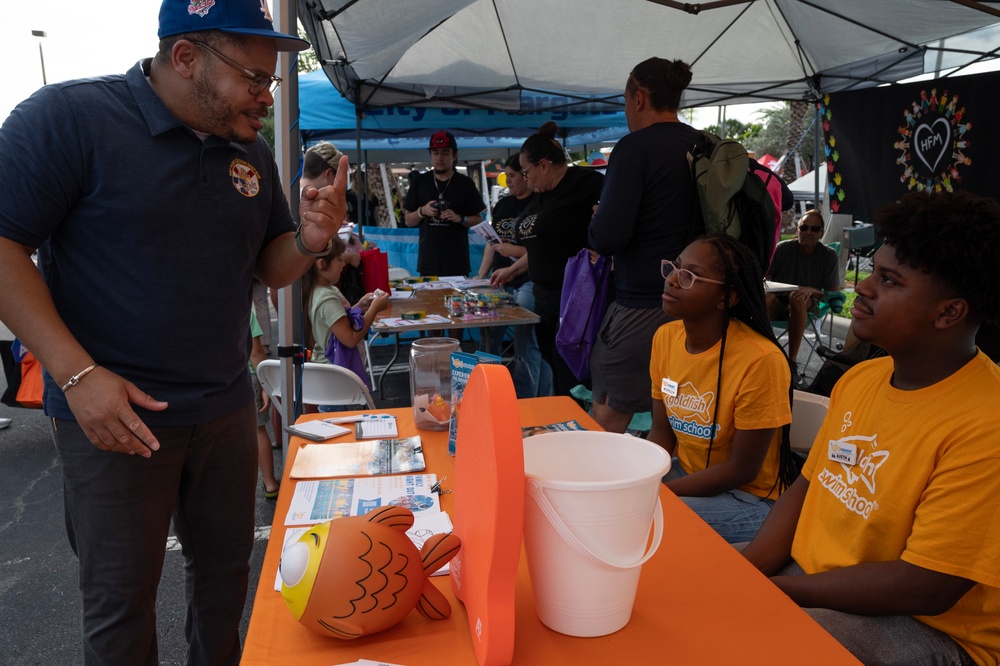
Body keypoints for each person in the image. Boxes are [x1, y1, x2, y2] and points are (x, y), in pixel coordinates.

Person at [0, 1, 351, 663]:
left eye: (271, 82)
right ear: (186, 57)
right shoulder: (70, 118)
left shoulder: (246, 150)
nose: (265, 97)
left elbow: (269, 261)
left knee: (225, 585)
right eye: (253, 78)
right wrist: (76, 375)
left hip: (222, 408)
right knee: (122, 610)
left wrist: (308, 239)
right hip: (115, 419)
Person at [741, 192, 1000, 666]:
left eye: (888, 280)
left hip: (930, 629)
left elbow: (927, 587)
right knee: (690, 579)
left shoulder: (987, 425)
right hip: (813, 579)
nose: (863, 288)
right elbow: (806, 487)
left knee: (758, 642)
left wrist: (780, 592)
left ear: (949, 313)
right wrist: (747, 571)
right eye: (872, 271)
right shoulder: (860, 378)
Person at [648, 234, 796, 543]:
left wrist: (657, 494)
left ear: (726, 298)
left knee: (647, 519)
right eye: (675, 268)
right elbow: (661, 432)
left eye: (690, 276)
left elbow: (742, 469)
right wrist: (642, 479)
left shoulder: (760, 361)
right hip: (686, 477)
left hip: (747, 498)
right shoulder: (665, 338)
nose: (673, 280)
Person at [588, 57, 702, 433]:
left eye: (624, 102)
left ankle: (592, 490)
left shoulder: (634, 148)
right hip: (699, 306)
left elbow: (607, 237)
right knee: (673, 413)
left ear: (638, 99)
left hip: (641, 304)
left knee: (607, 415)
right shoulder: (704, 145)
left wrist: (599, 217)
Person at [509, 122, 604, 396]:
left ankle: (576, 426)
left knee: (572, 373)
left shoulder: (586, 184)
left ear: (545, 165)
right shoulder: (542, 195)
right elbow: (539, 245)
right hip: (544, 296)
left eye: (527, 172)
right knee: (554, 363)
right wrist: (514, 269)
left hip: (574, 297)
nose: (526, 179)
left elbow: (613, 224)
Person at [479, 154, 553, 398]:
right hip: (499, 278)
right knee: (488, 337)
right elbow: (492, 243)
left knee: (526, 341)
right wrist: (480, 277)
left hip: (529, 280)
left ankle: (526, 398)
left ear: (526, 175)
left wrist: (514, 252)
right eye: (507, 176)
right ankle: (488, 392)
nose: (508, 181)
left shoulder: (540, 203)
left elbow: (542, 252)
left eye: (512, 175)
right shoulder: (503, 205)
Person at [301, 236, 389, 407]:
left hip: (330, 373)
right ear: (321, 264)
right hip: (335, 376)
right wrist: (374, 309)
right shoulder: (327, 298)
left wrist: (359, 306)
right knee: (341, 424)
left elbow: (335, 322)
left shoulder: (320, 290)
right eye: (339, 260)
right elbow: (349, 338)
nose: (343, 264)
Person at [765, 209, 842, 384]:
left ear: (821, 233)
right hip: (777, 301)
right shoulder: (782, 250)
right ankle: (765, 355)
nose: (808, 232)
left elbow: (832, 292)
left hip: (805, 305)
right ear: (797, 229)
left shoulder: (829, 256)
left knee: (797, 298)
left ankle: (792, 363)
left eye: (815, 229)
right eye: (804, 227)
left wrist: (810, 290)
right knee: (765, 298)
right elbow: (766, 280)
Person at [403, 131, 487, 277]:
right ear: (430, 155)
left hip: (457, 263)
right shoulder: (420, 182)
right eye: (435, 153)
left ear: (454, 155)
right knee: (430, 300)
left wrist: (460, 218)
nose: (439, 158)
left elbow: (479, 220)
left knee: (457, 300)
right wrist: (422, 211)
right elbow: (408, 221)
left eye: (445, 153)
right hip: (428, 262)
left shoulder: (465, 183)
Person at [249, 310, 278, 499]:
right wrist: (265, 384)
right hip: (246, 377)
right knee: (258, 429)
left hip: (216, 379)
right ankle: (269, 483)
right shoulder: (237, 302)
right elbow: (256, 351)